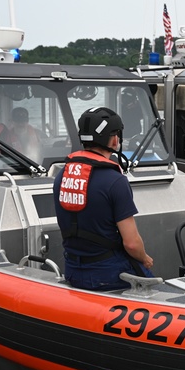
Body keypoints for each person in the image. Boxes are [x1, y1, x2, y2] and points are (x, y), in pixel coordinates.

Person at [54, 107, 155, 290]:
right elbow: (131, 244)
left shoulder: (62, 176)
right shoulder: (115, 181)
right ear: (115, 139)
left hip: (72, 270)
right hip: (107, 272)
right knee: (151, 281)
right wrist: (145, 258)